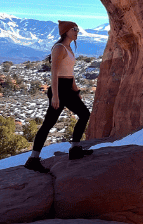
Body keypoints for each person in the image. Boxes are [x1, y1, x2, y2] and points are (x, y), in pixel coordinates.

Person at [24, 20, 93, 173]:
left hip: (68, 89)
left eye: (78, 29)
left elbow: (70, 72)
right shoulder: (59, 48)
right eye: (74, 29)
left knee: (84, 114)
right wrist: (55, 96)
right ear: (65, 31)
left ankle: (75, 149)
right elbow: (54, 73)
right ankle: (33, 159)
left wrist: (77, 91)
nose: (77, 32)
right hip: (60, 90)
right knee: (49, 123)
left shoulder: (69, 48)